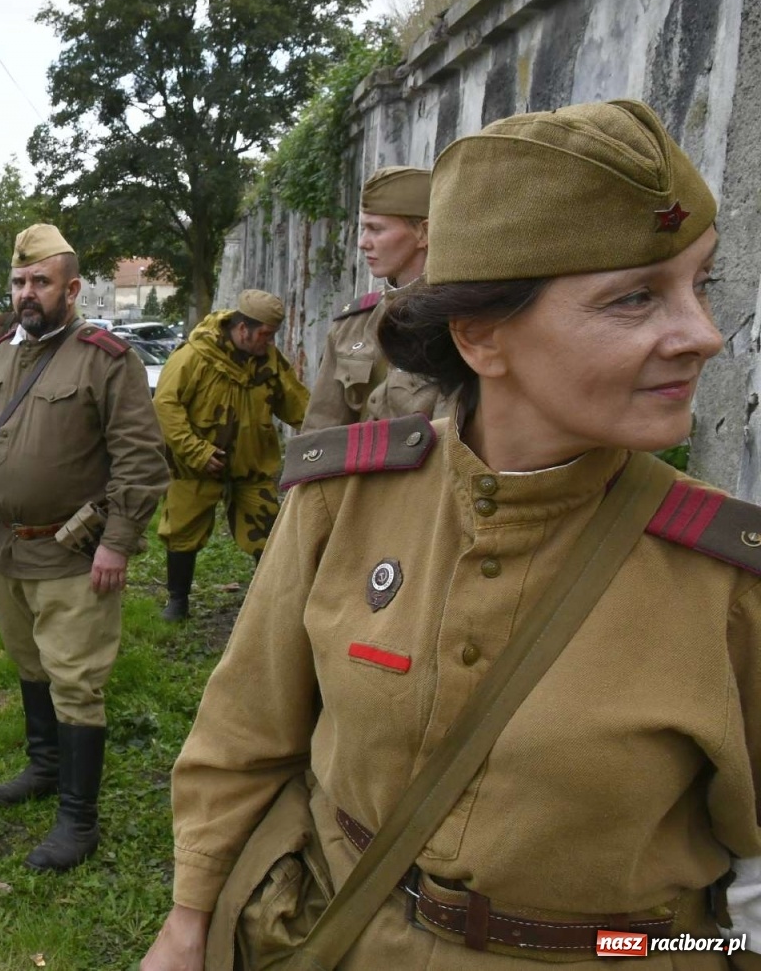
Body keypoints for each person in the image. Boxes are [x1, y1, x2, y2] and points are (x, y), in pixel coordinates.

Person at [141, 99, 761, 969]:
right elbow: (244, 733)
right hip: (335, 935)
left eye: (701, 285)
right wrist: (189, 917)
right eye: (634, 297)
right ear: (481, 337)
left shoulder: (725, 577)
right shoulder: (343, 502)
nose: (703, 335)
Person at [0, 224, 169, 871]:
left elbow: (142, 459)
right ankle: (44, 766)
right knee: (30, 665)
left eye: (41, 282)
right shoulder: (0, 351)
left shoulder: (105, 358)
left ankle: (78, 821)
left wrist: (118, 543)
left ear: (72, 287)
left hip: (73, 552)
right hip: (8, 549)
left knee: (75, 682)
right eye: (20, 281)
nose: (28, 293)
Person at [153, 290, 309, 619]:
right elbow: (165, 406)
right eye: (264, 335)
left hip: (251, 466)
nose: (268, 343)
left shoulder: (268, 362)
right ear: (242, 329)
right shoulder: (195, 356)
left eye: (272, 336)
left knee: (267, 532)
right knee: (182, 530)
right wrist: (196, 451)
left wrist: (333, 429)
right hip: (196, 466)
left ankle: (274, 605)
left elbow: (298, 405)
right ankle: (178, 601)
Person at [302, 165, 447, 432]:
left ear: (423, 233)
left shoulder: (458, 325)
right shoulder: (351, 325)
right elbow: (318, 432)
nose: (363, 242)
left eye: (376, 229)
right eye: (363, 228)